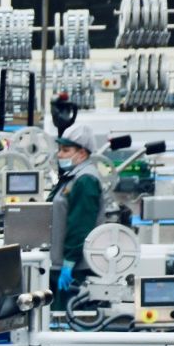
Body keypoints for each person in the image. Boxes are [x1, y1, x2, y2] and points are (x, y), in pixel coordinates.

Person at [51, 121, 104, 301]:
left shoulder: (85, 180)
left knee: (67, 314)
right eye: (60, 149)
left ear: (82, 153)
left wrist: (68, 264)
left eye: (66, 150)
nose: (59, 154)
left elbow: (80, 226)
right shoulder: (73, 177)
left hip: (76, 270)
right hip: (63, 264)